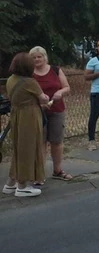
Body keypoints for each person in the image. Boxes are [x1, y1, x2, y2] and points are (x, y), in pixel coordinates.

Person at [2, 53, 48, 197]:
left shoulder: (11, 79)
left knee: (19, 148)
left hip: (16, 114)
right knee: (29, 148)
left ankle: (11, 183)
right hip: (29, 116)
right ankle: (22, 185)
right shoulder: (30, 82)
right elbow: (43, 98)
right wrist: (46, 98)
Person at [30, 46, 72, 181]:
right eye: (34, 57)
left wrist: (60, 92)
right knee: (40, 142)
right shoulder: (29, 73)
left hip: (56, 109)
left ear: (45, 57)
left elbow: (67, 87)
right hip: (37, 111)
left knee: (56, 141)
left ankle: (57, 170)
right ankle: (39, 173)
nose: (37, 59)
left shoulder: (55, 70)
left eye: (39, 56)